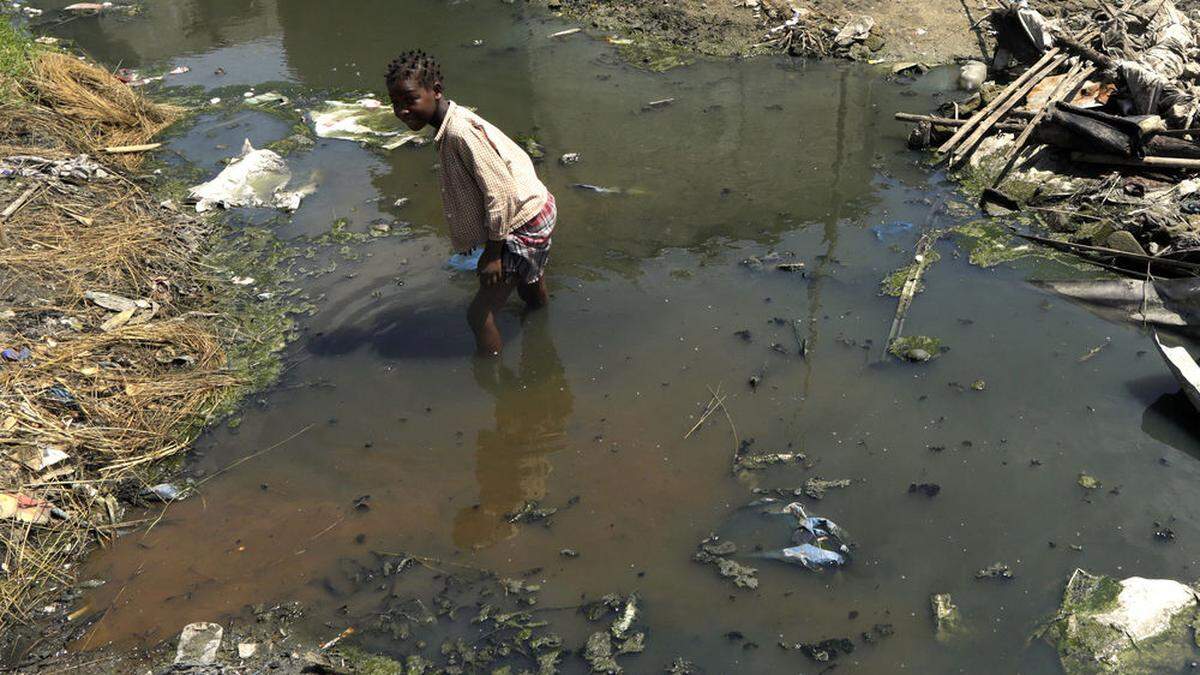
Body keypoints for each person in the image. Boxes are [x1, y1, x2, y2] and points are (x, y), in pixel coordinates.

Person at [386, 50, 556, 355]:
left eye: (409, 100)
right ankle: (543, 338)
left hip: (523, 219)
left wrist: (493, 255)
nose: (402, 111)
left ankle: (499, 390)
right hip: (534, 207)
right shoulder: (453, 121)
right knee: (528, 281)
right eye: (395, 104)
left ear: (436, 91)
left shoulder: (460, 132)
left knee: (478, 315)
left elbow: (500, 192)